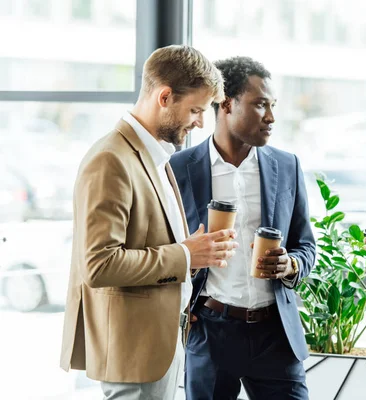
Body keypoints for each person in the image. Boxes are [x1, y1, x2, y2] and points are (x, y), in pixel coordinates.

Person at [60, 45, 239, 400]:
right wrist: (187, 256)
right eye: (195, 110)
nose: (200, 122)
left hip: (158, 344)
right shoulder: (110, 160)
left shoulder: (154, 156)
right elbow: (98, 264)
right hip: (133, 352)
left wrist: (196, 252)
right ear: (165, 97)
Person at [170, 56, 316, 400]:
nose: (271, 117)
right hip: (210, 331)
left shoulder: (287, 165)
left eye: (273, 105)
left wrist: (291, 264)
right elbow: (166, 248)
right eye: (260, 104)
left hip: (275, 334)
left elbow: (306, 246)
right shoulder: (178, 169)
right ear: (226, 103)